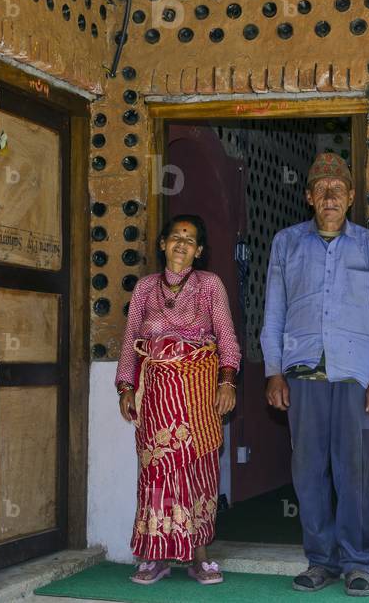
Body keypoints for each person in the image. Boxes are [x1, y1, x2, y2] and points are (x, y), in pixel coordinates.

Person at [261, 152, 369, 597]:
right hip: (302, 374)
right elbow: (274, 311)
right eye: (321, 189)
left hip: (353, 375)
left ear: (351, 196)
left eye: (337, 189)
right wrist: (273, 371)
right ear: (308, 197)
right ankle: (320, 560)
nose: (329, 197)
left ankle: (358, 563)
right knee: (308, 472)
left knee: (353, 472)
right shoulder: (286, 243)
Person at [115, 214, 240, 586]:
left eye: (190, 239)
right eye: (175, 237)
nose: (181, 244)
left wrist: (227, 382)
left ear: (198, 250)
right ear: (162, 244)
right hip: (156, 396)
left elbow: (227, 337)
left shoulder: (209, 285)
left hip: (198, 393)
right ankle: (155, 556)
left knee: (198, 468)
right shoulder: (145, 288)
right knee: (158, 471)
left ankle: (199, 556)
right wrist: (125, 386)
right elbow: (130, 340)